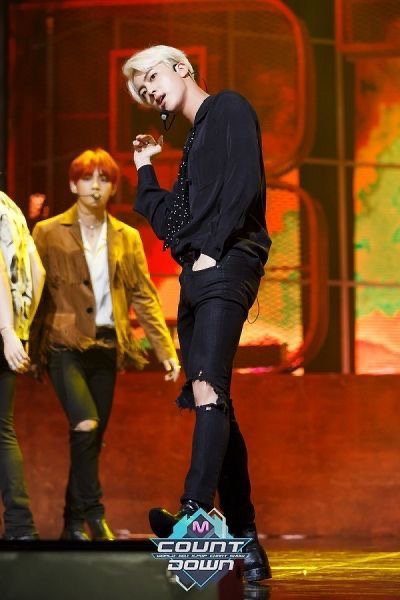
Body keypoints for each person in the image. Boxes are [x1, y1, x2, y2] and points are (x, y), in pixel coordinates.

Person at [123, 45, 272, 582]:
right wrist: (145, 169)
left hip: (226, 263)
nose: (150, 91)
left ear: (182, 67)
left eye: (152, 77)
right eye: (143, 91)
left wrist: (211, 247)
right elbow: (172, 224)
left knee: (208, 388)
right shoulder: (191, 147)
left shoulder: (227, 107)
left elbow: (245, 182)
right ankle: (247, 542)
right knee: (216, 401)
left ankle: (194, 511)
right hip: (197, 278)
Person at [31, 148, 180, 541]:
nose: (95, 186)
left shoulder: (126, 237)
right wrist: (19, 338)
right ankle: (95, 515)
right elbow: (31, 290)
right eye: (87, 178)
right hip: (63, 344)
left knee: (90, 438)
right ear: (72, 184)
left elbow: (143, 294)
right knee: (86, 423)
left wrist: (164, 349)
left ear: (113, 187)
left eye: (104, 179)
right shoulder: (47, 232)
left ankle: (71, 524)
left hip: (107, 345)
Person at [0, 191, 46, 540]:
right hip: (12, 331)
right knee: (3, 431)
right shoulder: (10, 207)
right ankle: (20, 526)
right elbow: (37, 271)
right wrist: (20, 328)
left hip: (3, 329)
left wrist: (6, 330)